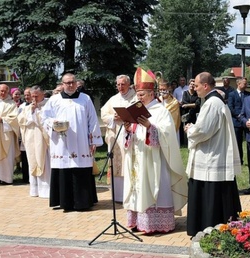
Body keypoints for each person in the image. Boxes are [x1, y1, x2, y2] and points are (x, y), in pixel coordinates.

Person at [122, 71, 187, 233]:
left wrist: (150, 127)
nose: (139, 98)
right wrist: (128, 130)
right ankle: (138, 221)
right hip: (138, 157)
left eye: (142, 94)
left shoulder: (160, 110)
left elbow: (167, 135)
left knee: (153, 186)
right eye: (137, 95)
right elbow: (131, 135)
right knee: (137, 187)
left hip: (154, 159)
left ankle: (156, 224)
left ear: (151, 94)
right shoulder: (135, 109)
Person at [185, 72, 242, 236]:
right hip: (214, 152)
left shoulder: (212, 103)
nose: (194, 89)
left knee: (211, 193)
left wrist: (190, 130)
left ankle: (209, 226)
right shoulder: (214, 101)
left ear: (205, 85)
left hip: (211, 156)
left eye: (196, 86)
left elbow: (203, 130)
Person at [41, 73, 103, 212]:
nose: (70, 85)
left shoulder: (85, 99)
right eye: (67, 82)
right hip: (62, 143)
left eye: (72, 82)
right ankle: (65, 203)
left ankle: (83, 202)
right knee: (64, 170)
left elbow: (92, 120)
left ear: (76, 83)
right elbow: (44, 118)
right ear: (62, 84)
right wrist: (53, 123)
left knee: (81, 170)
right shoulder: (54, 100)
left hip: (81, 142)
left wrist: (94, 140)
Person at [100, 75, 136, 203]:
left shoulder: (135, 97)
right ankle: (118, 196)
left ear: (129, 84)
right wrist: (113, 118)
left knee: (129, 162)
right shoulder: (113, 99)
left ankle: (131, 195)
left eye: (123, 84)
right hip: (116, 135)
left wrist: (127, 117)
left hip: (130, 135)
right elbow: (104, 113)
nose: (120, 87)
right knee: (116, 164)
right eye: (118, 84)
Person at [18, 86, 51, 197]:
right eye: (32, 96)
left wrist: (37, 112)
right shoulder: (28, 107)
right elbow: (21, 120)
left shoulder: (49, 105)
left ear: (43, 94)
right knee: (33, 160)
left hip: (44, 140)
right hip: (31, 139)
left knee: (46, 162)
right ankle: (35, 189)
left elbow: (46, 121)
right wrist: (31, 111)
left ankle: (47, 190)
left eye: (36, 96)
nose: (34, 98)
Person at [228, 78, 250, 165]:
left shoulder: (248, 94)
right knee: (237, 142)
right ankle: (239, 160)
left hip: (246, 121)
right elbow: (230, 107)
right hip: (236, 122)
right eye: (244, 83)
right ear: (238, 84)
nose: (246, 85)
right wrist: (238, 116)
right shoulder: (232, 94)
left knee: (249, 142)